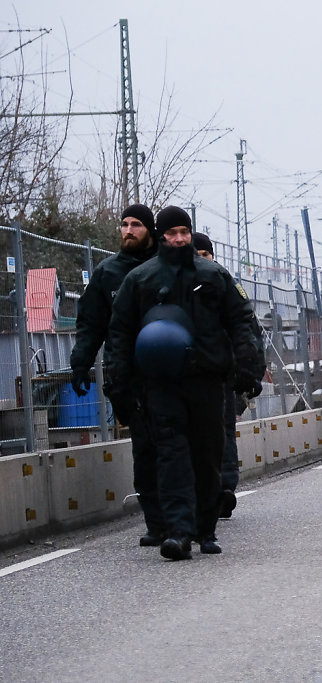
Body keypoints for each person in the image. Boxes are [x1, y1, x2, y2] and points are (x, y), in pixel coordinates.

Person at [107, 206, 263, 560]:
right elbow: (120, 333)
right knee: (170, 452)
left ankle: (205, 528)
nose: (179, 239)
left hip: (207, 379)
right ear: (161, 235)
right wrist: (120, 383)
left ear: (191, 234)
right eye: (172, 232)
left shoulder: (214, 275)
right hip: (161, 382)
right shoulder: (141, 279)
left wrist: (248, 367)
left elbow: (241, 320)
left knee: (206, 452)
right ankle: (178, 531)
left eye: (184, 232)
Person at [69, 204, 164, 546]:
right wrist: (80, 363)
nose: (128, 230)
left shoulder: (168, 267)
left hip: (172, 374)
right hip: (129, 376)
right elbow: (90, 324)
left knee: (176, 445)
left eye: (136, 224)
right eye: (123, 224)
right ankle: (156, 522)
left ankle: (186, 513)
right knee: (145, 449)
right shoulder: (108, 273)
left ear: (150, 230)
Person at [192, 233, 266, 518]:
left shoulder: (227, 286)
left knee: (223, 432)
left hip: (226, 374)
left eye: (205, 253)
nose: (200, 259)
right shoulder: (179, 284)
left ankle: (224, 490)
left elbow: (251, 335)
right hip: (193, 373)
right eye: (195, 253)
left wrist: (250, 375)